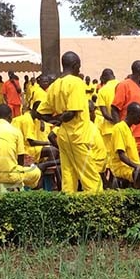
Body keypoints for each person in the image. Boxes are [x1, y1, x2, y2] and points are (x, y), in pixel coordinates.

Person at [37, 51, 103, 192]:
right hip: (78, 136)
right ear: (75, 65)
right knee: (90, 177)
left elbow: (40, 112)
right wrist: (61, 119)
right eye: (79, 66)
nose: (79, 69)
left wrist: (56, 122)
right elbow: (72, 112)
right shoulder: (76, 82)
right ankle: (98, 208)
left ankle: (69, 207)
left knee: (68, 176)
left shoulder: (54, 85)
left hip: (64, 138)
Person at [0, 104, 41, 192]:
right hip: (11, 176)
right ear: (10, 116)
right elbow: (20, 160)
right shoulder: (16, 132)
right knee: (36, 172)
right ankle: (32, 192)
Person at [113, 61, 140, 161]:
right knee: (131, 168)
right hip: (133, 136)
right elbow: (114, 109)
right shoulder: (124, 85)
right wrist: (121, 132)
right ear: (139, 71)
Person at [109, 103, 140, 189]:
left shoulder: (129, 129)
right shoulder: (119, 128)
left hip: (132, 164)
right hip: (121, 166)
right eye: (139, 116)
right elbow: (121, 156)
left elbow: (135, 158)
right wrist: (136, 166)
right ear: (131, 114)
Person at [95, 69, 119, 158]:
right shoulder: (122, 86)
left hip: (109, 130)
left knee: (110, 157)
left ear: (104, 77)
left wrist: (115, 121)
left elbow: (104, 113)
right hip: (124, 128)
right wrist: (120, 122)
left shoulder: (102, 90)